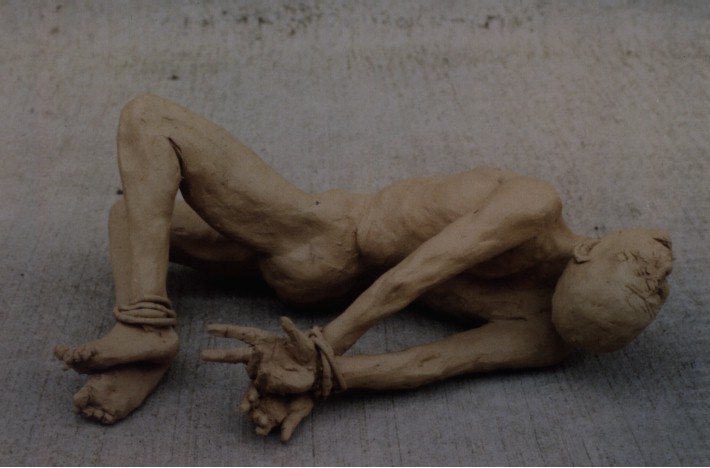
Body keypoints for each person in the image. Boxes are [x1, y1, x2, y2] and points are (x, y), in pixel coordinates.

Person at [54, 94, 673, 440]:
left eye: (651, 278)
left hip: (320, 238)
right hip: (321, 282)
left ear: (589, 250)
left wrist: (324, 356)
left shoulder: (538, 208)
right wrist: (318, 378)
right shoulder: (548, 336)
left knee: (150, 120)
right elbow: (427, 362)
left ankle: (144, 323)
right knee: (134, 217)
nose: (666, 262)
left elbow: (415, 277)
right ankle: (145, 356)